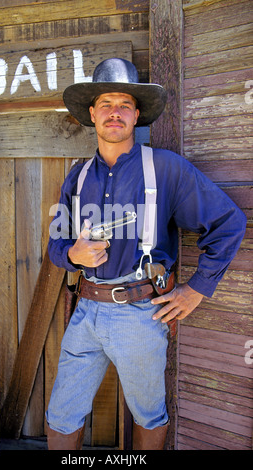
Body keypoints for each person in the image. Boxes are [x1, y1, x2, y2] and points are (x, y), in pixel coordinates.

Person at [46, 58, 246, 450]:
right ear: (92, 113)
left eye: (124, 104)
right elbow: (55, 246)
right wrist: (74, 254)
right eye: (106, 104)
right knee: (61, 413)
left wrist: (197, 289)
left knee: (148, 415)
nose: (115, 112)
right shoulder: (78, 176)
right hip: (85, 311)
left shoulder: (166, 169)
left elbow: (229, 222)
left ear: (137, 114)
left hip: (140, 313)